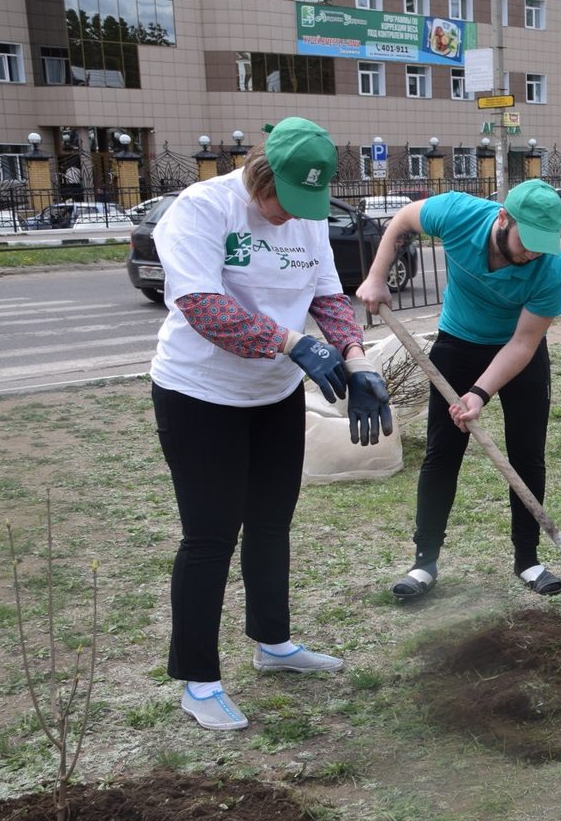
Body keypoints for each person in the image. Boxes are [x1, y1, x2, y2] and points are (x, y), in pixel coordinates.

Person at [149, 116, 394, 732]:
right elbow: (204, 307)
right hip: (200, 394)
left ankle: (273, 643)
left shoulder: (306, 216)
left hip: (273, 394)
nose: (291, 215)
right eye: (283, 200)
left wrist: (358, 363)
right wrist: (292, 344)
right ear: (261, 173)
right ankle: (199, 681)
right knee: (209, 537)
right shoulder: (203, 210)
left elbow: (328, 298)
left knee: (270, 524)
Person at [357, 179, 561, 601]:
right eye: (527, 242)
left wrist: (480, 392)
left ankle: (527, 559)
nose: (531, 254)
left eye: (542, 246)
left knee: (527, 454)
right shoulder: (458, 214)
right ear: (503, 218)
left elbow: (524, 343)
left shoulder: (552, 269)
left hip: (517, 351)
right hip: (459, 341)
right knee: (442, 452)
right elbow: (403, 220)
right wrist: (377, 277)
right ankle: (424, 562)